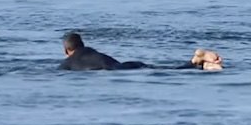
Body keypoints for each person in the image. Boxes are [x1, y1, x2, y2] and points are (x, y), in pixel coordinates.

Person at [59, 32, 222, 71]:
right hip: (124, 66)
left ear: (66, 50)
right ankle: (196, 63)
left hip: (113, 72)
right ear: (83, 44)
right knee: (161, 69)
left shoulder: (66, 66)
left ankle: (196, 63)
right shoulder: (92, 51)